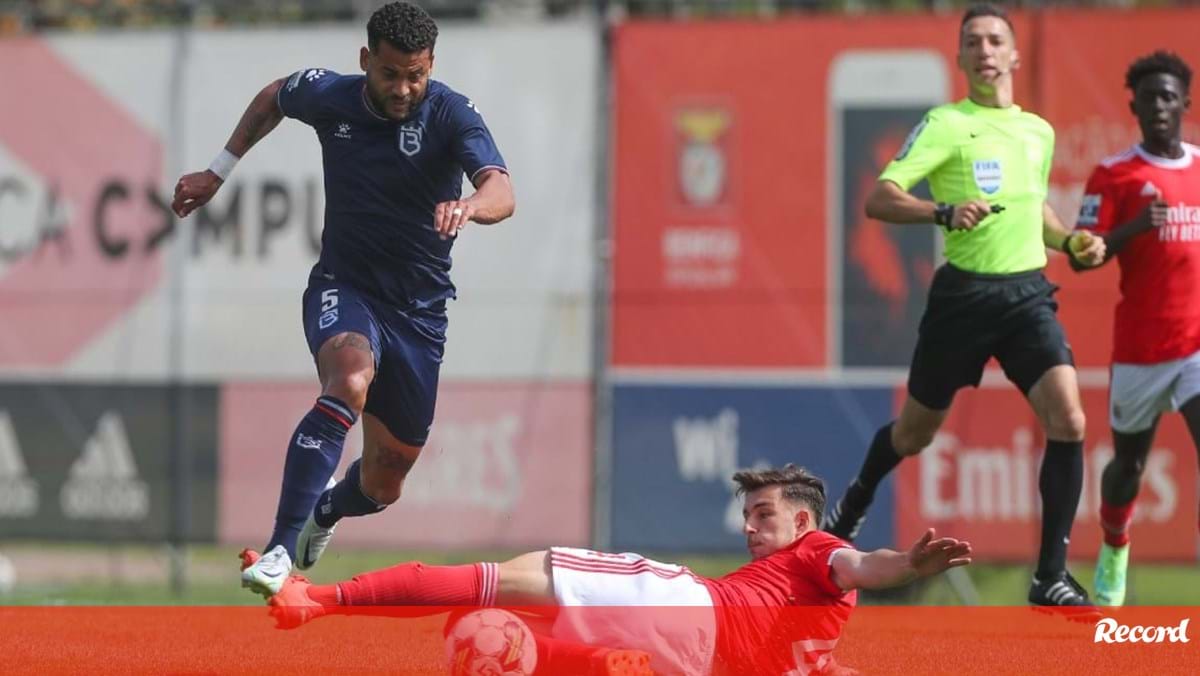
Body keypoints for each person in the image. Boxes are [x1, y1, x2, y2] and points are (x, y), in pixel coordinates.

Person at [171, 2, 515, 596]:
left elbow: (501, 189)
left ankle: (325, 511)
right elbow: (276, 95)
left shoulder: (451, 114)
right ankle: (279, 549)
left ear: (431, 65)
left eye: (417, 74)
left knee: (386, 481)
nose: (405, 88)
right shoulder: (331, 96)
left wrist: (471, 208)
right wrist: (218, 171)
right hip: (344, 287)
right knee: (350, 379)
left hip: (420, 315)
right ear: (365, 61)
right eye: (390, 74)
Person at [821, 3, 1107, 607]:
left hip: (1028, 296)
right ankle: (852, 506)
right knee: (914, 434)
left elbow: (1037, 213)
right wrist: (941, 211)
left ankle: (1048, 575)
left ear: (1013, 55)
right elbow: (880, 197)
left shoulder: (1038, 131)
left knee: (1070, 419)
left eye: (995, 39)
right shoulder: (946, 123)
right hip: (963, 300)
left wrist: (1069, 241)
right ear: (960, 58)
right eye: (972, 41)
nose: (984, 49)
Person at [263, 464, 971, 675]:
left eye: (764, 515)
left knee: (493, 580)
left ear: (803, 524)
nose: (751, 527)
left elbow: (861, 564)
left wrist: (906, 563)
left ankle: (317, 599)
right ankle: (598, 662)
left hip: (685, 610)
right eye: (748, 514)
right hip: (690, 662)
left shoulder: (817, 552)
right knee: (476, 627)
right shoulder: (813, 628)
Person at [1071, 51, 1198, 607]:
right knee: (1129, 466)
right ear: (1135, 107)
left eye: (1169, 96)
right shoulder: (1114, 174)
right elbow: (1081, 256)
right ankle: (1115, 543)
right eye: (1150, 97)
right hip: (1142, 351)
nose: (1160, 106)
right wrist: (1127, 231)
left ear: (1186, 104)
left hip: (1195, 345)